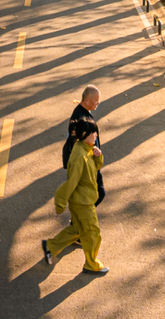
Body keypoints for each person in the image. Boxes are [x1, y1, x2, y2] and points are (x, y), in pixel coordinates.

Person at [42, 118, 108, 275]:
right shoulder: (80, 155)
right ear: (84, 134)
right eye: (93, 132)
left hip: (83, 200)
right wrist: (60, 204)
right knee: (92, 233)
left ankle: (51, 246)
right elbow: (71, 182)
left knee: (78, 229)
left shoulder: (86, 148)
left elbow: (94, 169)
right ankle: (91, 265)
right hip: (83, 202)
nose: (96, 135)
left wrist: (97, 156)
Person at [62, 84, 105, 206]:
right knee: (98, 193)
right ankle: (81, 218)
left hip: (90, 161)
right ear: (86, 100)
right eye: (96, 100)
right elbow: (75, 142)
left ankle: (82, 218)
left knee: (97, 193)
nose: (98, 102)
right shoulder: (79, 119)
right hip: (87, 164)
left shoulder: (83, 112)